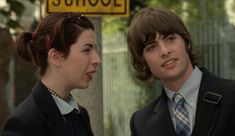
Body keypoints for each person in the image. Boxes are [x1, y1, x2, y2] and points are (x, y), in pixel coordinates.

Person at [127, 7, 235, 136]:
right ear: (143, 60)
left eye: (170, 39)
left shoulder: (231, 95)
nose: (165, 51)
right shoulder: (141, 123)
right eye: (151, 47)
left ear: (186, 41)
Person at [3, 12, 101, 136]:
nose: (97, 59)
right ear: (55, 57)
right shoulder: (24, 123)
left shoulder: (79, 114)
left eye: (94, 49)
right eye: (87, 49)